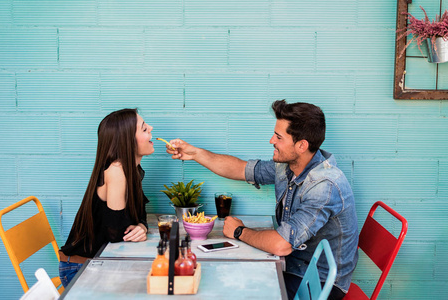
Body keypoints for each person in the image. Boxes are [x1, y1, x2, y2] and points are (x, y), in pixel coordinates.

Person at [165, 100, 358, 300]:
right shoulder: (288, 166)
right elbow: (241, 169)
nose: (271, 140)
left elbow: (281, 245)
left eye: (279, 137)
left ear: (301, 145)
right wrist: (195, 153)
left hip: (317, 281)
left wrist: (240, 232)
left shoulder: (324, 186)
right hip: (291, 264)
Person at [59, 108, 154, 287]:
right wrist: (138, 228)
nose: (151, 128)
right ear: (127, 141)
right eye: (143, 128)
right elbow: (117, 234)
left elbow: (139, 214)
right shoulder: (117, 171)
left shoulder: (132, 170)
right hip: (81, 268)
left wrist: (141, 226)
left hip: (100, 261)